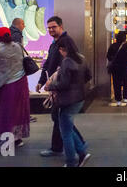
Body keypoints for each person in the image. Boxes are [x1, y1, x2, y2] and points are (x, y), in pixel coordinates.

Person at [36, 16, 84, 157]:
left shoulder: (66, 41)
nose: (51, 30)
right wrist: (41, 80)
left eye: (53, 27)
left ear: (61, 26)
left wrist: (57, 84)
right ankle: (61, 146)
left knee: (61, 118)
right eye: (49, 27)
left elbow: (73, 63)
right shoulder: (54, 43)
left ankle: (76, 146)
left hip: (63, 88)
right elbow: (48, 63)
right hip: (57, 86)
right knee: (60, 118)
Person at [45, 36, 92, 167]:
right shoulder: (81, 58)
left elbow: (64, 84)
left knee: (65, 132)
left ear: (62, 49)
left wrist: (50, 86)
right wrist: (77, 85)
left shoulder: (67, 62)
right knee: (68, 127)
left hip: (67, 101)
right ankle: (82, 152)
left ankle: (71, 161)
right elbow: (88, 76)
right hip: (79, 99)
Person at [0, 27, 30, 152]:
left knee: (4, 114)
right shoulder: (18, 47)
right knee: (17, 113)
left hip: (7, 87)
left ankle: (4, 145)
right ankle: (17, 139)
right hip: (21, 84)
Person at [107, 31, 127, 106]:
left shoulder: (113, 46)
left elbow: (108, 56)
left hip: (116, 68)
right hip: (125, 68)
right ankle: (126, 97)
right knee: (126, 83)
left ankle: (118, 100)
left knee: (116, 83)